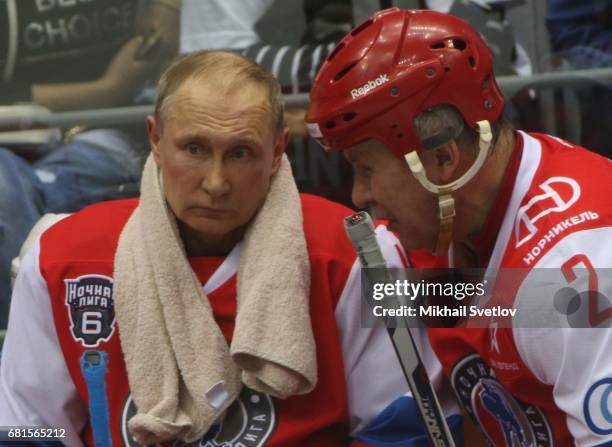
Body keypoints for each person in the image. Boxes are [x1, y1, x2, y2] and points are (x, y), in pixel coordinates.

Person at [0, 51, 462, 446]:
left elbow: (401, 428)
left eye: (240, 153)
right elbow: (21, 429)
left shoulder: (359, 254)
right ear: (155, 141)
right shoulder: (59, 259)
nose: (216, 183)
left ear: (278, 150)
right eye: (195, 149)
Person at [306, 8, 612, 447]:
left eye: (365, 169)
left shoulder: (571, 269)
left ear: (442, 159)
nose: (358, 196)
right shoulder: (453, 223)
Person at [0, 0, 181, 328]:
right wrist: (107, 89)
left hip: (105, 132)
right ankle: (23, 340)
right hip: (12, 136)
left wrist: (168, 8)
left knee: (71, 185)